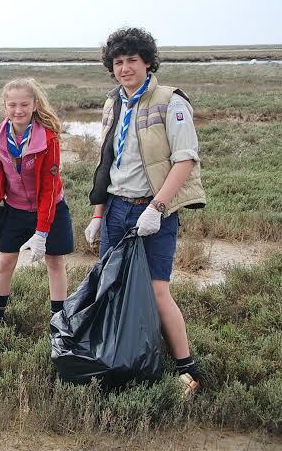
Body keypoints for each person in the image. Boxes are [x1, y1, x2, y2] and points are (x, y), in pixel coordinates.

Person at [84, 27, 206, 398]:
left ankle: (188, 370)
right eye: (118, 62)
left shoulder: (171, 101)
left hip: (154, 212)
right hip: (116, 210)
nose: (124, 68)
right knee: (112, 286)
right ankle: (118, 360)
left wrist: (157, 208)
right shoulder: (113, 103)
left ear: (148, 62)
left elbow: (185, 160)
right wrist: (97, 212)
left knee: (155, 291)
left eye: (131, 61)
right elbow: (107, 162)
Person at [0, 78, 74, 332]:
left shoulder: (49, 139)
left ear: (34, 105)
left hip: (51, 209)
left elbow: (49, 189)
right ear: (5, 107)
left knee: (55, 263)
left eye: (24, 104)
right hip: (15, 210)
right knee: (5, 262)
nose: (18, 110)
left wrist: (42, 232)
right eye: (12, 105)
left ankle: (59, 322)